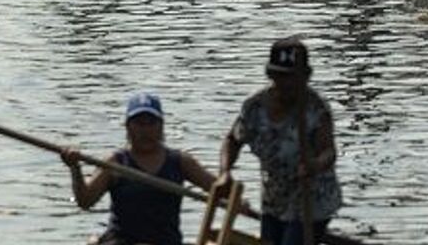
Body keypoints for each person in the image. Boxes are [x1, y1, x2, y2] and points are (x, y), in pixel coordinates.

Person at [219, 37, 342, 245]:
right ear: (271, 75)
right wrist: (225, 172)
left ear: (305, 78)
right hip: (274, 200)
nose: (288, 85)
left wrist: (314, 165)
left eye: (294, 79)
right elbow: (233, 140)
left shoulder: (315, 109)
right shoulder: (255, 107)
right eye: (281, 78)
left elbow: (328, 152)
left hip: (311, 201)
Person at [60, 93, 217, 245]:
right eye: (140, 123)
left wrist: (237, 201)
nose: (146, 130)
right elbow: (85, 201)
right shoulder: (116, 162)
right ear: (128, 127)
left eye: (151, 123)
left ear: (161, 126)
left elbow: (220, 189)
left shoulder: (180, 162)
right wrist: (75, 168)